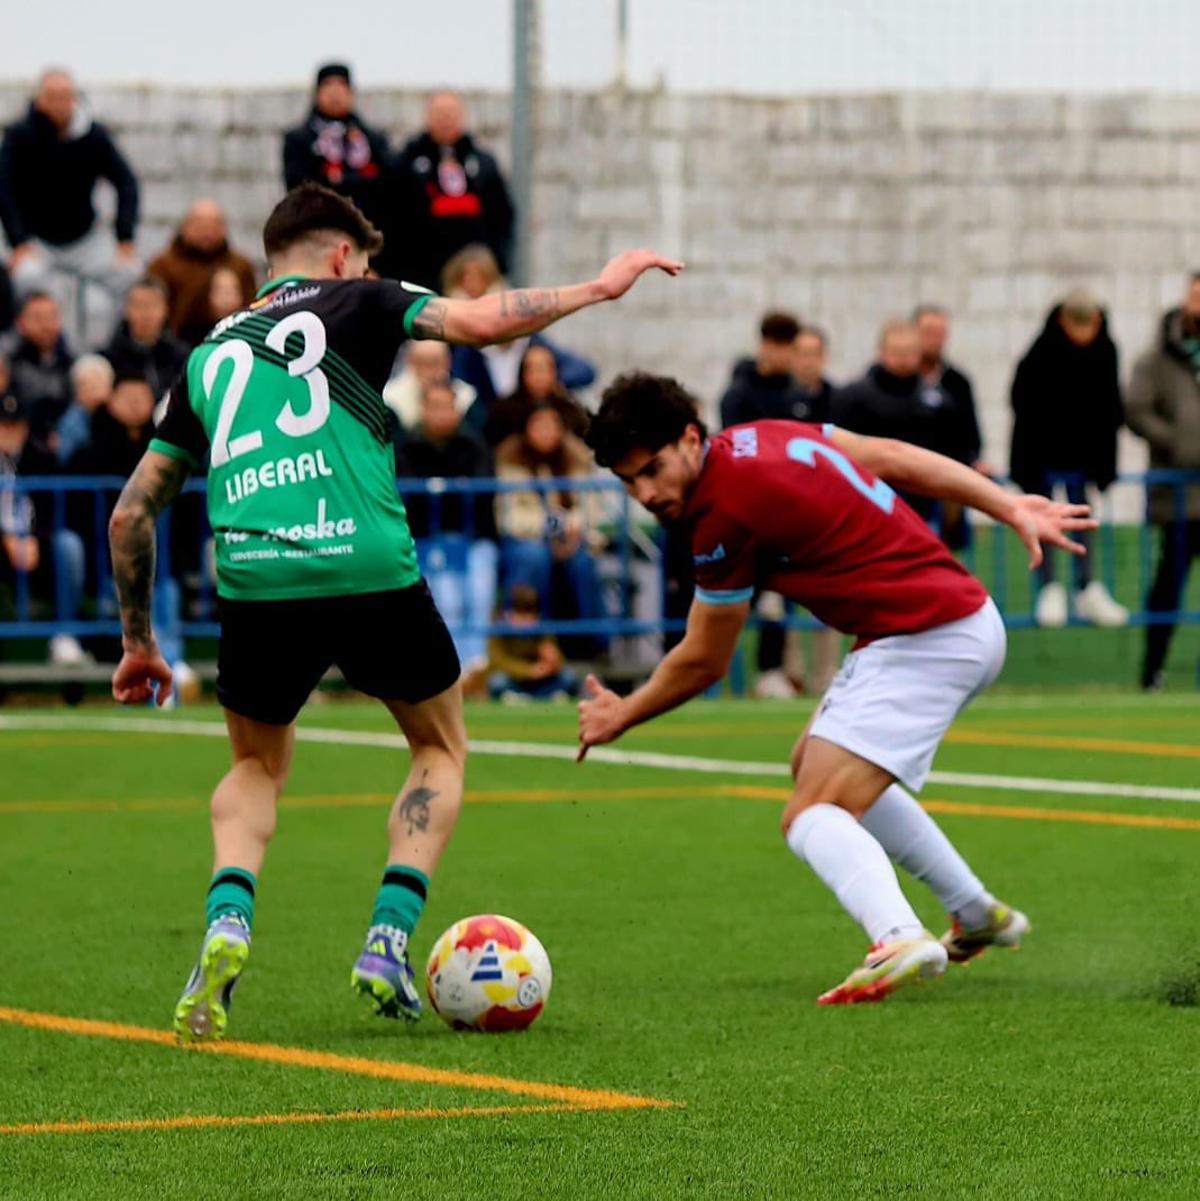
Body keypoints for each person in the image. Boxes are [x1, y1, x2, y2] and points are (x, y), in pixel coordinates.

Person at [106, 181, 680, 1042]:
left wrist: (139, 643)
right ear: (342, 255)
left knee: (256, 769)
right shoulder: (363, 298)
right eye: (365, 259)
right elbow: (485, 322)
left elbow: (129, 513)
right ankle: (386, 938)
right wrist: (596, 288)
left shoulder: (205, 358)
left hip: (258, 578)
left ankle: (228, 921)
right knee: (439, 744)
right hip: (368, 563)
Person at [578, 373, 1093, 1004]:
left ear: (690, 438)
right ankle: (975, 912)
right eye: (629, 481)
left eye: (653, 469)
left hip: (926, 636)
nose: (645, 492)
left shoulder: (721, 513)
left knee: (811, 812)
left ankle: (899, 935)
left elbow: (705, 661)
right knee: (810, 765)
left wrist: (622, 714)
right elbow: (896, 458)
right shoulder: (756, 439)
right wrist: (1007, 504)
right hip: (940, 622)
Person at [1010, 290, 1128, 628]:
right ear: (1062, 321)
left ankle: (1086, 585)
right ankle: (1049, 586)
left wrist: (1104, 463)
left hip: (1083, 460)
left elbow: (1109, 407)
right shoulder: (1041, 352)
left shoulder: (1105, 352)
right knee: (1045, 517)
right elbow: (1023, 401)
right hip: (1043, 457)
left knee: (1081, 517)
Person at [720, 311, 821, 699]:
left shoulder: (798, 395)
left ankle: (772, 671)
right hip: (750, 510)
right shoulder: (739, 394)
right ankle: (722, 674)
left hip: (789, 510)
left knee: (778, 597)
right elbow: (738, 451)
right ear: (766, 346)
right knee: (738, 597)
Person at [0, 69, 140, 341]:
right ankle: (22, 353)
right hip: (37, 242)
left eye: (65, 97)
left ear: (75, 99)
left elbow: (126, 181)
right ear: (39, 100)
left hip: (86, 240)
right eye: (52, 96)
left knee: (130, 275)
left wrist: (125, 238)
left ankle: (115, 350)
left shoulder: (92, 135)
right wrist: (18, 242)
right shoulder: (20, 135)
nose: (59, 104)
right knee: (23, 279)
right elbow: (2, 188)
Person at [393, 379, 498, 688]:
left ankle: (475, 666)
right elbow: (410, 501)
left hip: (473, 538)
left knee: (478, 591)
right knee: (446, 596)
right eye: (434, 406)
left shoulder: (474, 445)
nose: (441, 414)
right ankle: (453, 669)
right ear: (423, 409)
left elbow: (482, 497)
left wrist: (439, 492)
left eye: (447, 407)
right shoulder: (408, 447)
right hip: (427, 540)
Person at [1125, 274, 1200, 689]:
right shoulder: (1155, 358)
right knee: (1168, 586)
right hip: (1179, 495)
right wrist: (1178, 441)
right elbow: (1136, 409)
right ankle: (1152, 669)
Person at [495, 403, 609, 659]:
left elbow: (592, 509)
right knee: (534, 557)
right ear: (526, 429)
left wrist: (575, 525)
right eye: (540, 425)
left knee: (583, 563)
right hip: (525, 539)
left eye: (553, 425)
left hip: (572, 539)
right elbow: (510, 516)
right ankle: (530, 645)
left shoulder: (577, 459)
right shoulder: (510, 461)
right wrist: (550, 525)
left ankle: (594, 645)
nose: (547, 432)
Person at [443, 245, 597, 420]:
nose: (472, 285)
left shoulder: (531, 342)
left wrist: (547, 381)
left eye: (479, 278)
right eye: (465, 279)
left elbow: (584, 371)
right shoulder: (460, 345)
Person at [392, 92, 515, 290]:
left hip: (474, 279)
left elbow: (501, 216)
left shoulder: (483, 163)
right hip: (422, 275)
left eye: (451, 113)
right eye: (439, 113)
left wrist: (498, 262)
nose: (445, 119)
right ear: (427, 117)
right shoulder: (405, 163)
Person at [0, 391, 87, 665]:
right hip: (3, 546)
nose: (10, 432)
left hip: (35, 545)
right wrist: (7, 539)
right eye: (3, 425)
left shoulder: (39, 455)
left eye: (16, 425)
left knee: (68, 545)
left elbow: (56, 509)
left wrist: (35, 539)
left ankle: (64, 635)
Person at [282, 64, 390, 271]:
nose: (335, 94)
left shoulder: (373, 139)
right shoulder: (299, 140)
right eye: (328, 87)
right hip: (317, 235)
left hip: (368, 239)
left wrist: (340, 180)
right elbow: (300, 187)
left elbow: (385, 185)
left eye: (341, 87)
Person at [148, 200, 257, 347]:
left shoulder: (241, 266)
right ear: (185, 226)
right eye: (199, 224)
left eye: (213, 225)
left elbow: (252, 309)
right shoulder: (162, 266)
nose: (207, 231)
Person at [719, 311, 815, 427]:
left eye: (793, 348)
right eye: (781, 347)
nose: (789, 355)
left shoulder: (799, 396)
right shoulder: (739, 397)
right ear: (765, 345)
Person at [483, 342, 589, 447]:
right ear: (522, 373)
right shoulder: (503, 412)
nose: (538, 376)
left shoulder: (570, 411)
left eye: (543, 369)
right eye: (532, 370)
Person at [2, 292, 73, 446]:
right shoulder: (7, 362)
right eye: (37, 318)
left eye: (51, 317)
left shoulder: (72, 362)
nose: (46, 325)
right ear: (20, 322)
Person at [487, 583, 577, 702]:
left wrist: (554, 661)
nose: (525, 621)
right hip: (515, 680)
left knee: (569, 678)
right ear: (511, 613)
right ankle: (544, 697)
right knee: (497, 682)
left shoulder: (542, 629)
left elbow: (557, 661)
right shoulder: (499, 629)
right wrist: (528, 671)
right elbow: (497, 661)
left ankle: (529, 698)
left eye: (529, 615)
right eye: (520, 615)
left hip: (541, 681)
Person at [102, 278, 189, 398]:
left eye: (153, 305)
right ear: (126, 311)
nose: (146, 313)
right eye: (139, 305)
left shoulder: (182, 357)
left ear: (166, 309)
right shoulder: (108, 360)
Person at [382, 339, 476, 437]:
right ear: (410, 362)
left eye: (435, 362)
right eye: (421, 362)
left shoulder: (467, 395)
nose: (428, 370)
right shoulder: (390, 396)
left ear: (448, 362)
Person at [56, 352, 113, 464]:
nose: (93, 392)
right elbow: (65, 456)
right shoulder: (71, 421)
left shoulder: (117, 415)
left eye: (98, 385)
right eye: (86, 386)